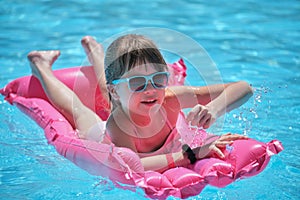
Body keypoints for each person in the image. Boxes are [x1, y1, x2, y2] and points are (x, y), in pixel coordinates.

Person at [27, 34, 252, 172]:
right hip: (102, 134)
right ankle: (41, 65)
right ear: (119, 89)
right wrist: (191, 155)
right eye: (138, 82)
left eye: (158, 79)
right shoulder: (119, 124)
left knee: (115, 92)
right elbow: (133, 165)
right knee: (79, 111)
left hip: (121, 96)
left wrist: (214, 108)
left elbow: (244, 88)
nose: (151, 90)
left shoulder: (171, 99)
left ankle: (96, 52)